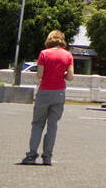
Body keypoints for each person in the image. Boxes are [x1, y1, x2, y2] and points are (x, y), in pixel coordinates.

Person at [19, 30, 74, 166]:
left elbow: (39, 75)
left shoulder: (44, 53)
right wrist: (62, 73)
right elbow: (70, 77)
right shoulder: (68, 55)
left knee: (38, 124)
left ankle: (32, 155)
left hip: (44, 91)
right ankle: (47, 156)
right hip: (59, 92)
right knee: (52, 125)